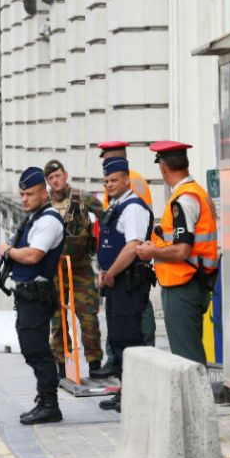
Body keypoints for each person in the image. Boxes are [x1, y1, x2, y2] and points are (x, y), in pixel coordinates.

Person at [136, 141, 218, 367]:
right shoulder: (197, 192)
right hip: (192, 282)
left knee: (187, 360)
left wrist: (152, 251)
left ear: (163, 167)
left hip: (183, 285)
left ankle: (198, 393)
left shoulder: (183, 199)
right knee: (189, 354)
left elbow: (182, 249)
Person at [0, 167, 66, 425]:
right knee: (32, 348)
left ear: (44, 193)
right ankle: (45, 401)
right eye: (22, 194)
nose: (24, 199)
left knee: (37, 350)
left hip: (37, 294)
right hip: (28, 294)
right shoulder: (35, 218)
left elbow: (33, 255)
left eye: (29, 194)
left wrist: (8, 251)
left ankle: (50, 405)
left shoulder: (48, 220)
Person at [90, 141, 157, 380]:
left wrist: (110, 273)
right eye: (106, 181)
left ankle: (134, 388)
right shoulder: (115, 204)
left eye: (114, 180)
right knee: (118, 337)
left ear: (126, 180)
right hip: (115, 281)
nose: (109, 185)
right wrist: (103, 272)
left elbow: (132, 247)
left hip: (128, 281)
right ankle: (123, 389)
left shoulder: (133, 206)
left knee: (130, 338)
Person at [43, 159, 105, 379]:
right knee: (57, 319)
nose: (55, 180)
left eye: (58, 175)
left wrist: (106, 254)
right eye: (51, 178)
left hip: (81, 267)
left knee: (88, 316)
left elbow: (106, 218)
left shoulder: (82, 198)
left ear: (65, 175)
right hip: (54, 270)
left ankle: (95, 364)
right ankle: (61, 364)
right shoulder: (44, 204)